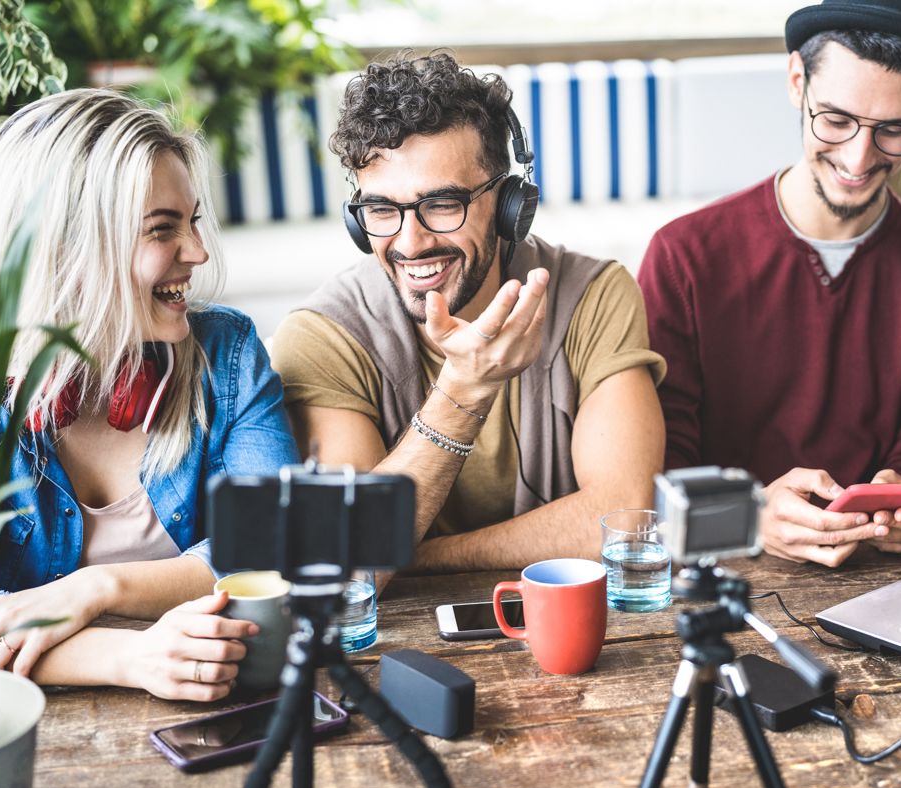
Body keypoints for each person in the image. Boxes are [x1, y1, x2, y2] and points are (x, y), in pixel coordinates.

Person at [270, 53, 665, 572]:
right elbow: (351, 561)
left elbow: (624, 517)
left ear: (510, 205)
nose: (410, 243)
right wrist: (464, 388)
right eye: (382, 210)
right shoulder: (321, 336)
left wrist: (418, 556)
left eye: (441, 205)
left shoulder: (594, 295)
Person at [638, 0, 901, 567]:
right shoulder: (684, 257)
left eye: (893, 130)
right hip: (717, 575)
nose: (857, 157)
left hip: (886, 580)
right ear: (797, 81)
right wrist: (749, 515)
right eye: (837, 120)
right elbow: (653, 472)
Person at [0, 89, 299, 700]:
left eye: (194, 220)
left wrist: (99, 588)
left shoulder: (227, 353)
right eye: (163, 230)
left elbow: (278, 542)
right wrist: (126, 656)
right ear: (69, 250)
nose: (199, 253)